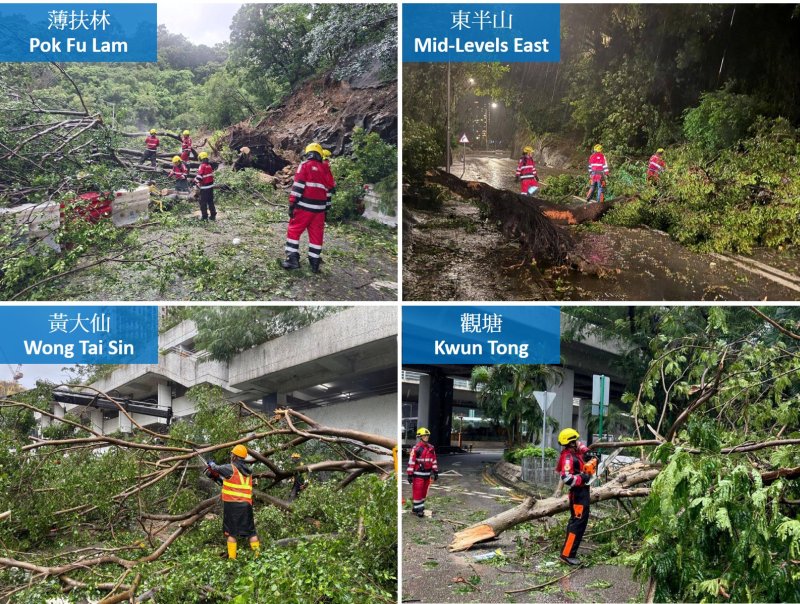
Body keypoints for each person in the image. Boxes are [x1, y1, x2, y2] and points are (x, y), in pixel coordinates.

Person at [280, 142, 335, 274]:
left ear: (308, 153)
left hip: (304, 208)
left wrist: (292, 204)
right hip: (320, 211)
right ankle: (315, 263)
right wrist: (326, 209)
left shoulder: (304, 166)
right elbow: (328, 191)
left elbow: (298, 187)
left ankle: (293, 259)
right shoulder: (325, 169)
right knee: (317, 236)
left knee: (294, 231)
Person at [206, 444, 260, 559]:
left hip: (232, 505)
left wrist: (211, 464)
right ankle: (257, 557)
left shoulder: (231, 468)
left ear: (235, 457)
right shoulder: (249, 471)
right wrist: (219, 479)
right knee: (251, 533)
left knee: (231, 533)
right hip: (246, 505)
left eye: (232, 455)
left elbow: (216, 468)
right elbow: (235, 483)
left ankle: (232, 559)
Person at [556, 428, 597, 566]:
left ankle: (569, 552)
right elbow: (566, 478)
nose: (578, 442)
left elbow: (581, 447)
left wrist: (588, 453)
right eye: (575, 441)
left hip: (582, 492)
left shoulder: (575, 451)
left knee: (578, 522)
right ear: (570, 443)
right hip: (578, 493)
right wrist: (582, 478)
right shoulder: (568, 458)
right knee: (577, 524)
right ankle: (567, 555)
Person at [407, 427, 438, 518]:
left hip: (427, 474)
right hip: (418, 474)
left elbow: (434, 460)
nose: (426, 437)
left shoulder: (431, 448)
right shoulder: (416, 448)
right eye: (424, 435)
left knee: (424, 492)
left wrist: (435, 472)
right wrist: (410, 474)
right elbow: (411, 462)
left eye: (427, 435)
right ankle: (419, 510)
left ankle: (417, 507)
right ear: (420, 437)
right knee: (418, 492)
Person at [193, 151, 216, 221]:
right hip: (210, 187)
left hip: (204, 187)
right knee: (210, 201)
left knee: (203, 202)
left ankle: (204, 216)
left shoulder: (202, 166)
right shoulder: (209, 166)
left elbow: (199, 177)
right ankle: (213, 215)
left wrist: (194, 182)